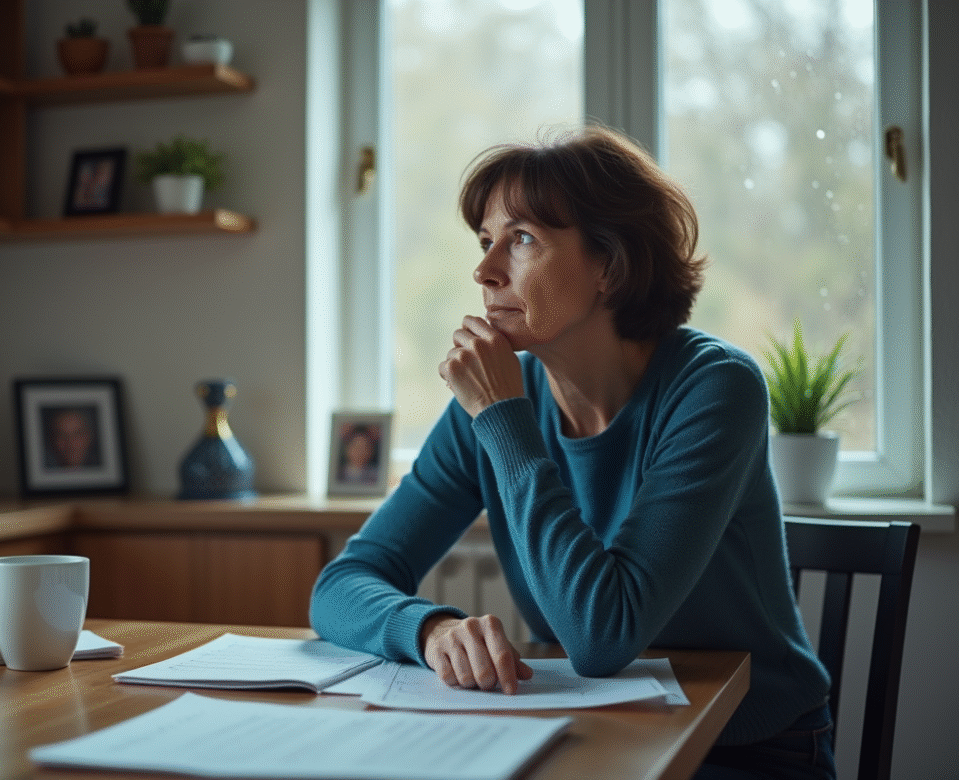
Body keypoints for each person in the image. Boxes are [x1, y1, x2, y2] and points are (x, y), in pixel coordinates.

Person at [310, 124, 835, 780]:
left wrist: (505, 421)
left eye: (522, 239)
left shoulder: (713, 388)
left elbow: (601, 637)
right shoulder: (490, 400)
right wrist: (430, 630)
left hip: (744, 749)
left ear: (609, 266)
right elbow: (339, 586)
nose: (484, 269)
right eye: (484, 241)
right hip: (595, 737)